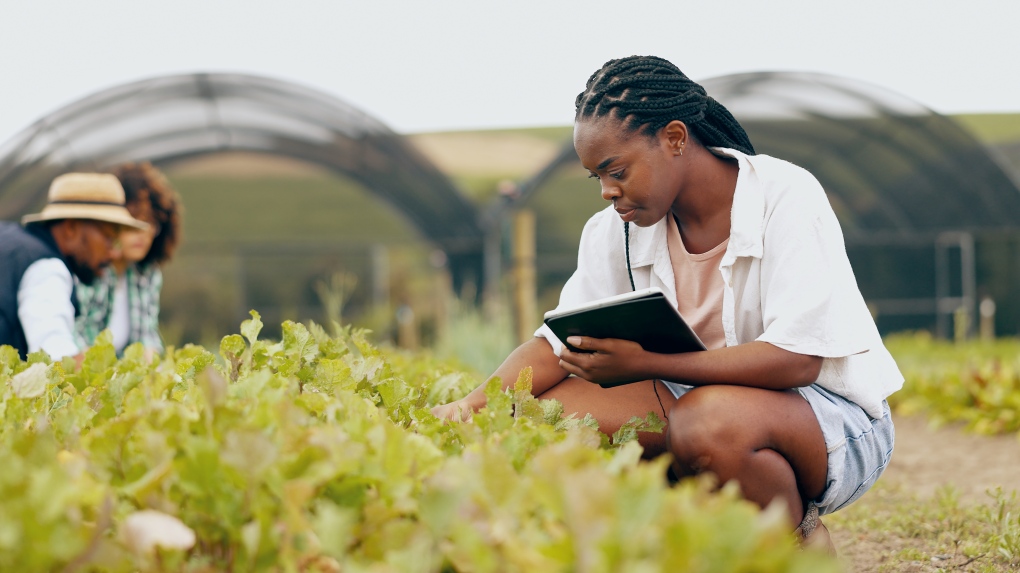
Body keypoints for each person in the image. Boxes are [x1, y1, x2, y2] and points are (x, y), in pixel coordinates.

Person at [433, 56, 902, 550]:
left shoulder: (783, 195)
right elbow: (556, 343)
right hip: (687, 401)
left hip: (827, 419)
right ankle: (679, 539)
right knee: (543, 420)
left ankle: (796, 545)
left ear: (675, 138)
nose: (607, 191)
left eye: (616, 170)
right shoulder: (615, 231)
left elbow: (798, 359)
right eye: (597, 177)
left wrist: (647, 362)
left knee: (707, 423)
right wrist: (474, 404)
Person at [0, 172, 149, 362]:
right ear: (71, 229)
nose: (112, 253)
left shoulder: (9, 240)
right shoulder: (47, 268)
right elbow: (56, 354)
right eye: (109, 238)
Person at [75, 162, 182, 358]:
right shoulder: (88, 270)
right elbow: (76, 337)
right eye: (134, 224)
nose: (144, 234)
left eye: (152, 224)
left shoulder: (146, 274)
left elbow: (147, 336)